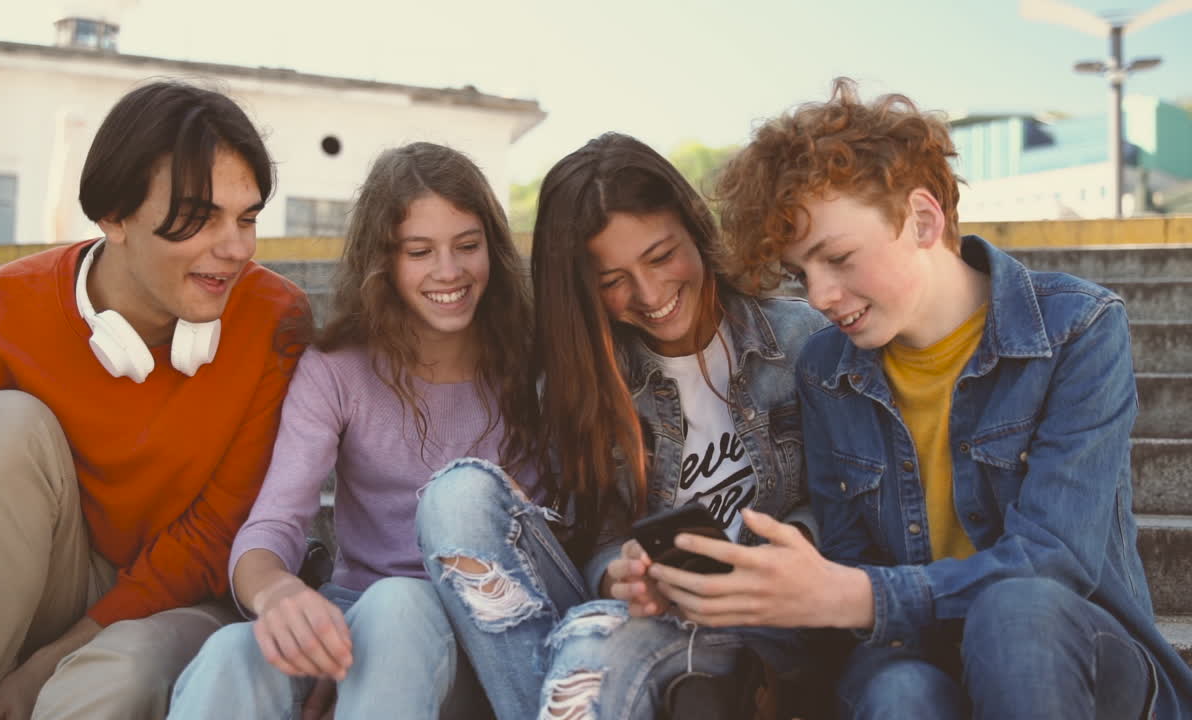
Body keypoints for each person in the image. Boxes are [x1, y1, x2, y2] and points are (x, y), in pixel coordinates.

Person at [709, 77, 1192, 719]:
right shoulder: (827, 368)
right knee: (899, 689)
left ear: (922, 220)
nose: (819, 296)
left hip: (1075, 660)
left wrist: (861, 596)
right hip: (920, 656)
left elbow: (1054, 561)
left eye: (840, 258)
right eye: (802, 274)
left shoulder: (1077, 328)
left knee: (1016, 607)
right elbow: (853, 569)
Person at [0, 80, 310, 719]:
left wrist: (50, 662)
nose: (236, 248)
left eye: (248, 217)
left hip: (176, 601)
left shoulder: (276, 320)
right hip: (30, 579)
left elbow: (213, 538)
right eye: (200, 217)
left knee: (112, 679)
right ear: (114, 216)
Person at [416, 132, 827, 720]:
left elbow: (846, 506)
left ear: (696, 228)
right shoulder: (583, 381)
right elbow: (597, 539)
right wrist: (621, 577)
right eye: (613, 280)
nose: (651, 293)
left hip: (771, 617)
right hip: (641, 616)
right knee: (455, 497)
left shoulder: (804, 341)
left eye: (662, 256)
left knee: (589, 645)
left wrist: (781, 554)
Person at [167, 141, 541, 720]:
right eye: (420, 251)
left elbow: (560, 541)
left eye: (467, 246)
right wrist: (279, 594)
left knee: (399, 606)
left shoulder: (531, 365)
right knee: (232, 653)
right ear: (384, 262)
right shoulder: (337, 369)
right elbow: (274, 523)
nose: (449, 271)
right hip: (359, 616)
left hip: (485, 637)